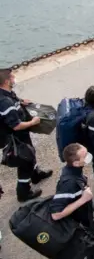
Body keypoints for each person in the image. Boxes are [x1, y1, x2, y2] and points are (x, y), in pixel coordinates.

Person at [50, 144, 94, 259]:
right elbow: (56, 214)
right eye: (85, 156)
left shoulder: (74, 172)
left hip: (85, 224)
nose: (88, 157)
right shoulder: (68, 183)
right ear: (76, 163)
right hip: (81, 232)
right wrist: (83, 199)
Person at [0, 68, 52, 202]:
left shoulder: (6, 93)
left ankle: (36, 174)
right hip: (15, 137)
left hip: (21, 135)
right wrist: (32, 122)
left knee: (31, 152)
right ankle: (23, 192)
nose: (14, 78)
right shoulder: (5, 102)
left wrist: (21, 101)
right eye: (12, 77)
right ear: (6, 81)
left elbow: (14, 99)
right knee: (25, 161)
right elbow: (16, 125)